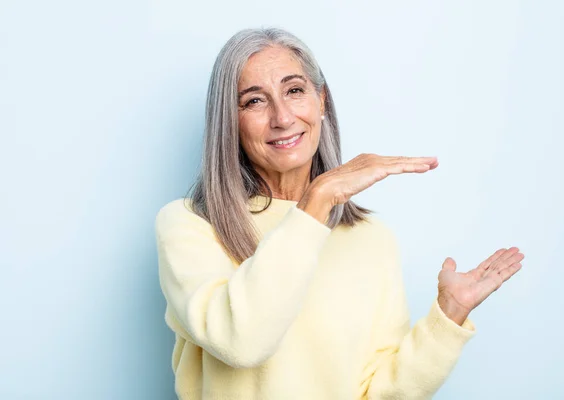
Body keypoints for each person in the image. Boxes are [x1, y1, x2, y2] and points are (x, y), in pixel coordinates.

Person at [155, 27, 525, 400]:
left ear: (321, 100)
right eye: (254, 101)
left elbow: (381, 392)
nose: (282, 117)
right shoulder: (190, 226)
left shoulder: (371, 237)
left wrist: (449, 315)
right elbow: (242, 341)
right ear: (229, 120)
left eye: (295, 91)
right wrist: (317, 200)